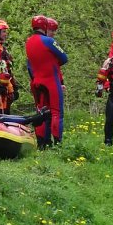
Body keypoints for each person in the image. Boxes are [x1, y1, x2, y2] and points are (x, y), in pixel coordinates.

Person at [26, 14, 69, 148]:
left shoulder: (28, 42)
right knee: (56, 113)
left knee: (41, 113)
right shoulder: (49, 41)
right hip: (51, 80)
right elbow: (64, 57)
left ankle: (42, 144)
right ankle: (57, 143)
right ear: (45, 27)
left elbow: (30, 65)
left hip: (36, 81)